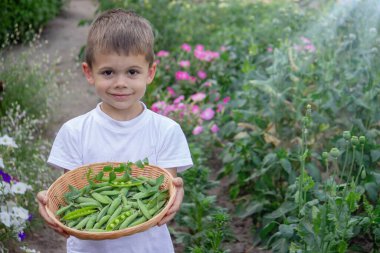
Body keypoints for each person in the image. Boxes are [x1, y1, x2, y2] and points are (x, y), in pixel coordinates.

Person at [36, 8, 193, 253]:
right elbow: (71, 193)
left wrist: (177, 193)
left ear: (150, 73)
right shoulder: (74, 131)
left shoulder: (166, 131)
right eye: (108, 72)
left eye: (132, 72)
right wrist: (51, 203)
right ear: (89, 72)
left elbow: (164, 191)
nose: (121, 83)